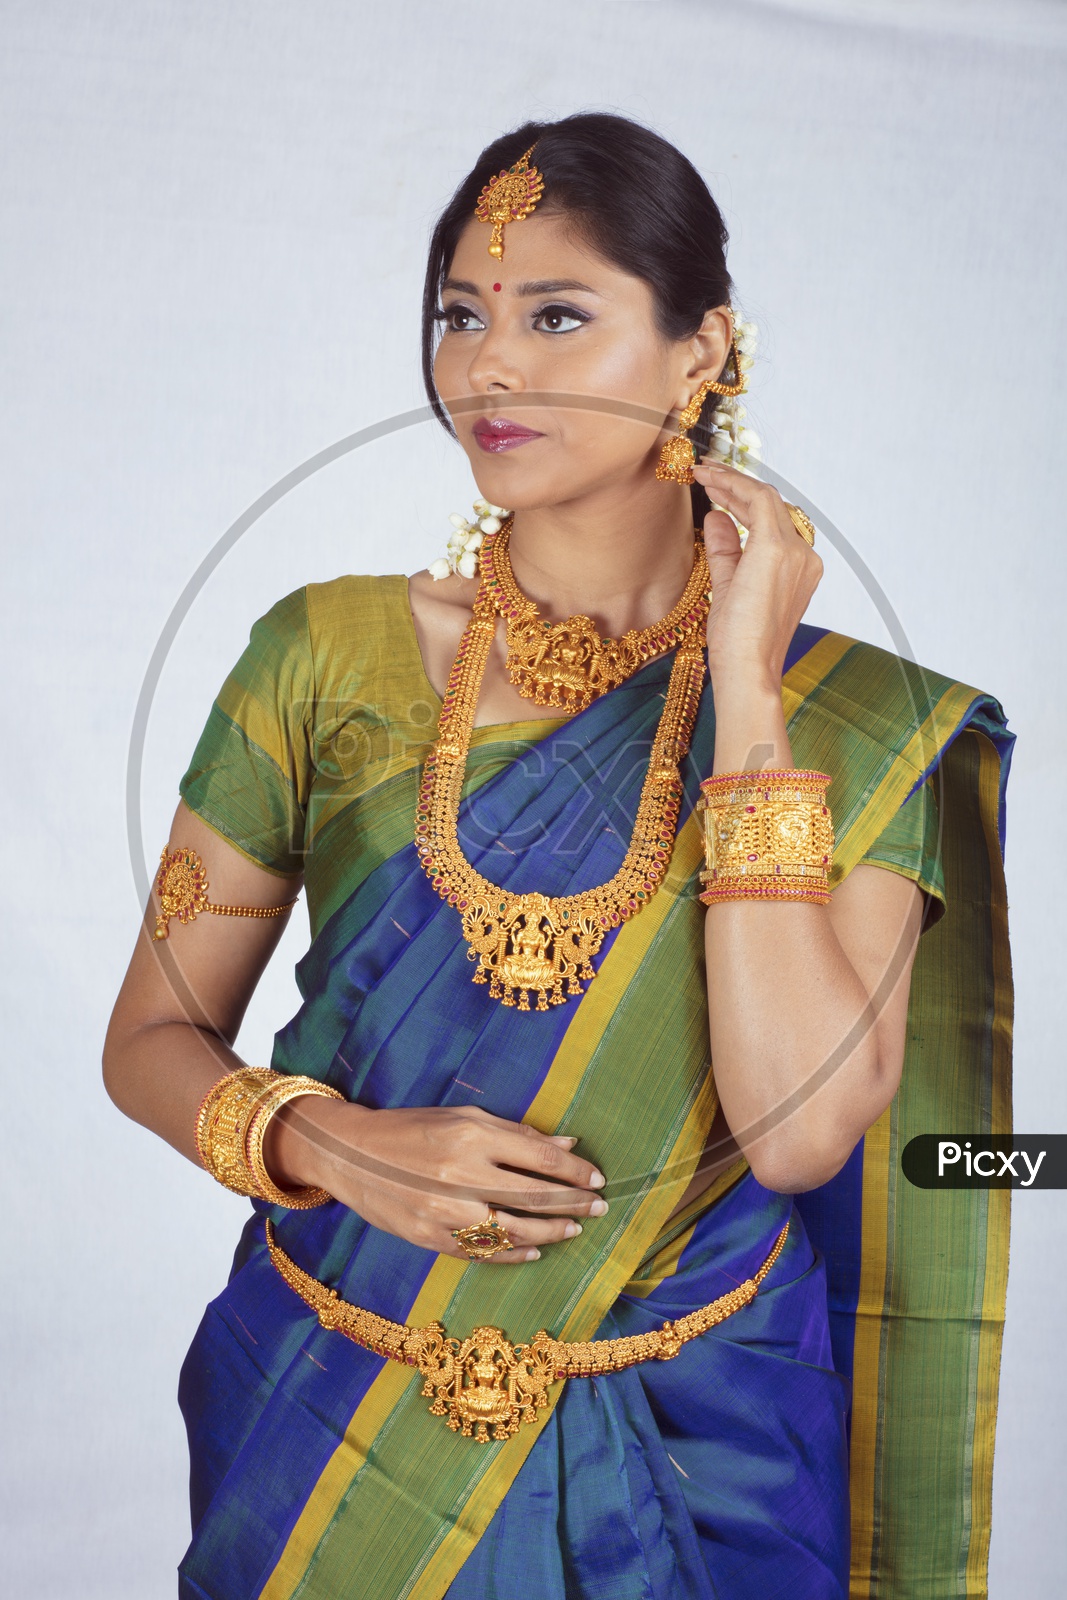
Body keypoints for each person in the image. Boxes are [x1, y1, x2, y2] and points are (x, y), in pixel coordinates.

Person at [104, 113, 1014, 1600]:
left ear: (702, 348)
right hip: (337, 1415)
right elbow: (148, 1041)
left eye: (558, 315)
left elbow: (795, 1131)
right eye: (460, 314)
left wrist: (748, 692)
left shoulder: (861, 724)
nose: (486, 368)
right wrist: (330, 1144)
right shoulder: (324, 658)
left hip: (696, 1439)